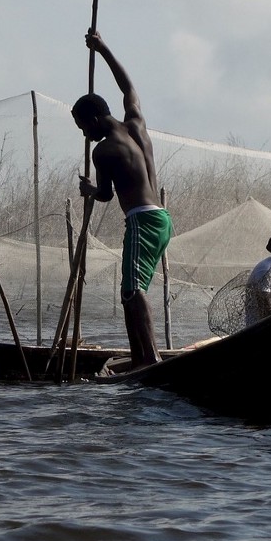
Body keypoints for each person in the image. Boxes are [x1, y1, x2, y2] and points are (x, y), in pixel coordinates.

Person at [72, 28, 171, 369]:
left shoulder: (104, 151)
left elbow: (104, 195)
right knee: (132, 288)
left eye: (83, 127)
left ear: (96, 120)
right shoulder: (136, 124)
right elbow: (128, 87)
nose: (84, 134)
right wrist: (103, 49)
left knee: (131, 291)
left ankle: (151, 360)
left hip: (142, 220)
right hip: (161, 218)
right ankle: (141, 356)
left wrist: (88, 191)